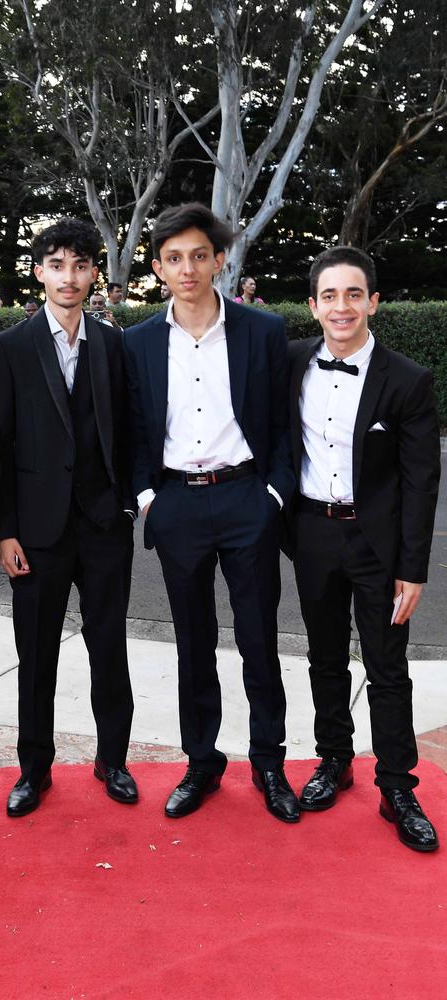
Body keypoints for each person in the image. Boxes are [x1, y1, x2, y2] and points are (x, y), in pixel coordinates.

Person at [124, 202, 297, 821]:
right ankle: (202, 763)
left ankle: (270, 766)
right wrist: (149, 499)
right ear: (158, 268)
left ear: (219, 260)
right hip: (177, 505)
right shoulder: (137, 342)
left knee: (258, 642)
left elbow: (282, 424)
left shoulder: (263, 331)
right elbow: (132, 430)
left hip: (247, 500)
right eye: (175, 258)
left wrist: (272, 496)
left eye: (200, 255)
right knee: (193, 644)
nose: (189, 267)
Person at [287, 245, 441, 852]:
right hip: (312, 535)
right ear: (313, 306)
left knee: (386, 669)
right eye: (330, 295)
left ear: (373, 301)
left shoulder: (407, 379)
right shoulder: (291, 361)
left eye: (354, 294)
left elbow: (421, 482)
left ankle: (398, 786)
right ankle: (333, 761)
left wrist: (412, 568)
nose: (342, 306)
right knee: (324, 658)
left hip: (379, 546)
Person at [0, 217, 137, 817]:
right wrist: (3, 530)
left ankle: (114, 759)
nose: (69, 276)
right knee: (37, 654)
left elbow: (129, 430)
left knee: (110, 648)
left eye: (80, 265)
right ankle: (34, 768)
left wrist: (127, 504)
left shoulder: (111, 343)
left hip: (104, 526)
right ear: (39, 271)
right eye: (57, 265)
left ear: (93, 272)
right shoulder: (10, 347)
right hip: (36, 532)